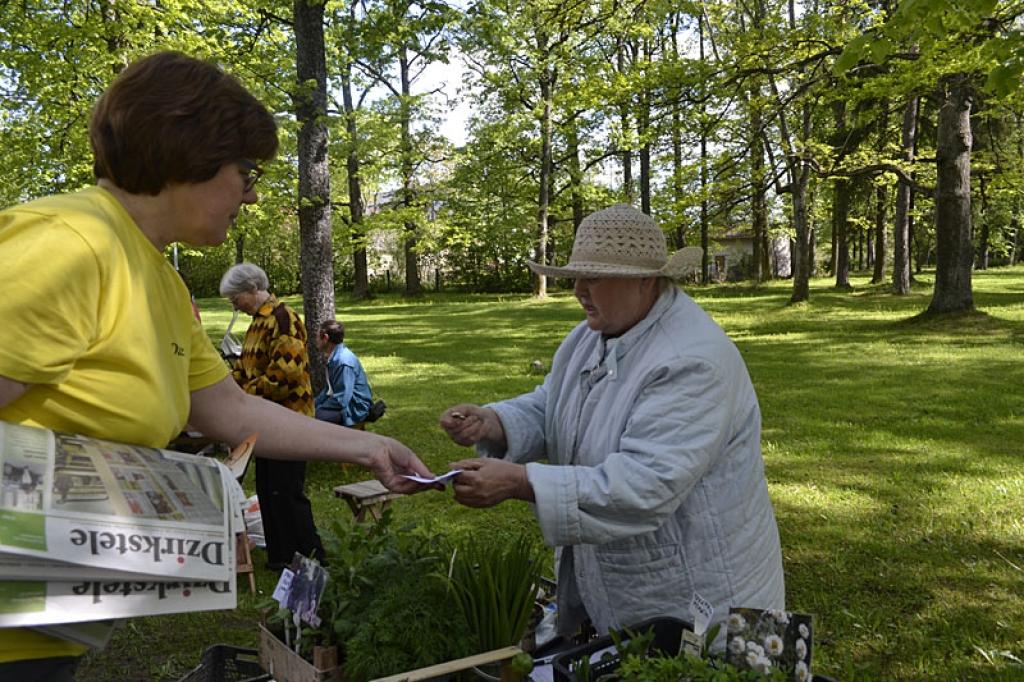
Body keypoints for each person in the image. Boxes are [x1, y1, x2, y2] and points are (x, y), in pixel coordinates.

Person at [0, 51, 434, 680]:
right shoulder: (68, 245)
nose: (253, 194)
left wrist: (370, 448)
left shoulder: (158, 277)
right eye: (246, 170)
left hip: (43, 623)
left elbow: (228, 409)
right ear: (189, 155)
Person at [440, 204, 785, 643]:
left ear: (646, 280)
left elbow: (644, 485)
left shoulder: (691, 360)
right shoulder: (591, 335)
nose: (579, 290)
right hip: (638, 594)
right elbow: (556, 404)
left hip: (704, 600)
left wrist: (520, 482)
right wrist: (495, 423)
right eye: (576, 277)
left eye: (595, 277)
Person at [220, 263, 325, 570]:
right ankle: (280, 557)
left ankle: (311, 556)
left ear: (253, 289)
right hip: (264, 419)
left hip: (290, 420)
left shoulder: (284, 319)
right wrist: (229, 387)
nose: (233, 304)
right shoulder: (256, 323)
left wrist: (244, 397)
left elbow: (284, 377)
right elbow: (245, 367)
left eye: (235, 297)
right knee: (268, 490)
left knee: (288, 492)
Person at [313, 319, 374, 428]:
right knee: (309, 412)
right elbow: (329, 391)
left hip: (354, 409)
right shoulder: (335, 357)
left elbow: (342, 399)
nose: (316, 340)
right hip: (346, 404)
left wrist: (319, 408)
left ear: (325, 338)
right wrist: (312, 404)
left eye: (318, 337)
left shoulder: (343, 361)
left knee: (313, 420)